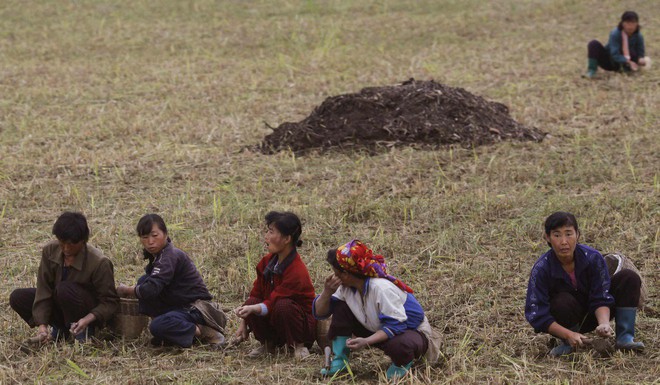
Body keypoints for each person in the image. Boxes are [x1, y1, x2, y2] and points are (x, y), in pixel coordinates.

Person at [313, 240, 440, 380]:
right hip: (378, 328)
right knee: (340, 307)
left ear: (345, 274)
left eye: (336, 273)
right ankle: (340, 360)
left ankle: (401, 364)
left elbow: (396, 325)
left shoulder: (381, 288)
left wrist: (366, 341)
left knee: (400, 345)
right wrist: (327, 292)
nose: (334, 276)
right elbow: (320, 313)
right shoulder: (346, 288)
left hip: (409, 332)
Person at [525, 212, 645, 357]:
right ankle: (567, 343)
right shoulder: (541, 269)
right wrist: (569, 334)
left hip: (595, 313)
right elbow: (537, 314)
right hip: (566, 319)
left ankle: (625, 338)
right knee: (561, 300)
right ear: (547, 237)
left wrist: (604, 323)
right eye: (557, 235)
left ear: (578, 235)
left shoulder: (593, 257)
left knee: (629, 277)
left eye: (568, 234)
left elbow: (601, 295)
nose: (564, 241)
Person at [116, 214, 226, 348]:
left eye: (154, 236)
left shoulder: (169, 256)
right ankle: (170, 333)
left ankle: (205, 331)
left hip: (197, 310)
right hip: (179, 306)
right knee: (144, 281)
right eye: (145, 237)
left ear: (166, 234)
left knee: (157, 323)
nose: (150, 241)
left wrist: (127, 290)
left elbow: (150, 289)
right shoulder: (158, 256)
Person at [9, 212, 119, 344]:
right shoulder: (50, 251)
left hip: (85, 311)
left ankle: (84, 331)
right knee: (18, 297)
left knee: (64, 289)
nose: (66, 248)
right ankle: (60, 328)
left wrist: (87, 319)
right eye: (62, 243)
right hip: (59, 302)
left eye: (71, 244)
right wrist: (42, 326)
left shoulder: (99, 262)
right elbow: (44, 289)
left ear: (83, 241)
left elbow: (109, 302)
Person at [233, 211, 316, 359]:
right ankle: (268, 344)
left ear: (286, 239)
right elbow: (256, 294)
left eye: (271, 232)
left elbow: (274, 301)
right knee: (252, 302)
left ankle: (299, 346)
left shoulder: (297, 270)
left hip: (299, 326)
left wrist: (254, 309)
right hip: (274, 318)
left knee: (283, 305)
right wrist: (244, 320)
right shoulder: (266, 262)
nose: (266, 236)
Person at [584, 11, 650, 78]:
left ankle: (627, 70)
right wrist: (628, 61)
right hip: (611, 61)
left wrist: (640, 60)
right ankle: (591, 70)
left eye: (633, 23)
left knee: (633, 52)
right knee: (593, 44)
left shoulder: (638, 36)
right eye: (627, 23)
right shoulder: (615, 34)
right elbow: (614, 54)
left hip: (628, 63)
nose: (630, 26)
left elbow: (640, 52)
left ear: (637, 24)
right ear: (623, 24)